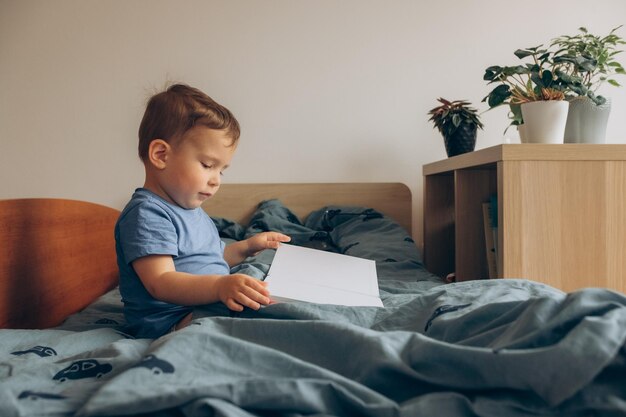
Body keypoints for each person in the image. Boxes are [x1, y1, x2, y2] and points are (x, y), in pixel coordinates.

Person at [115, 83, 291, 338]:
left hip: (200, 304)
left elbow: (211, 258)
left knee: (271, 301)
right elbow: (161, 281)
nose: (217, 179)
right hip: (170, 320)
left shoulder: (190, 209)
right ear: (161, 154)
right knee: (268, 322)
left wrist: (247, 247)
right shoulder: (147, 214)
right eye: (208, 165)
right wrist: (220, 286)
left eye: (221, 170)